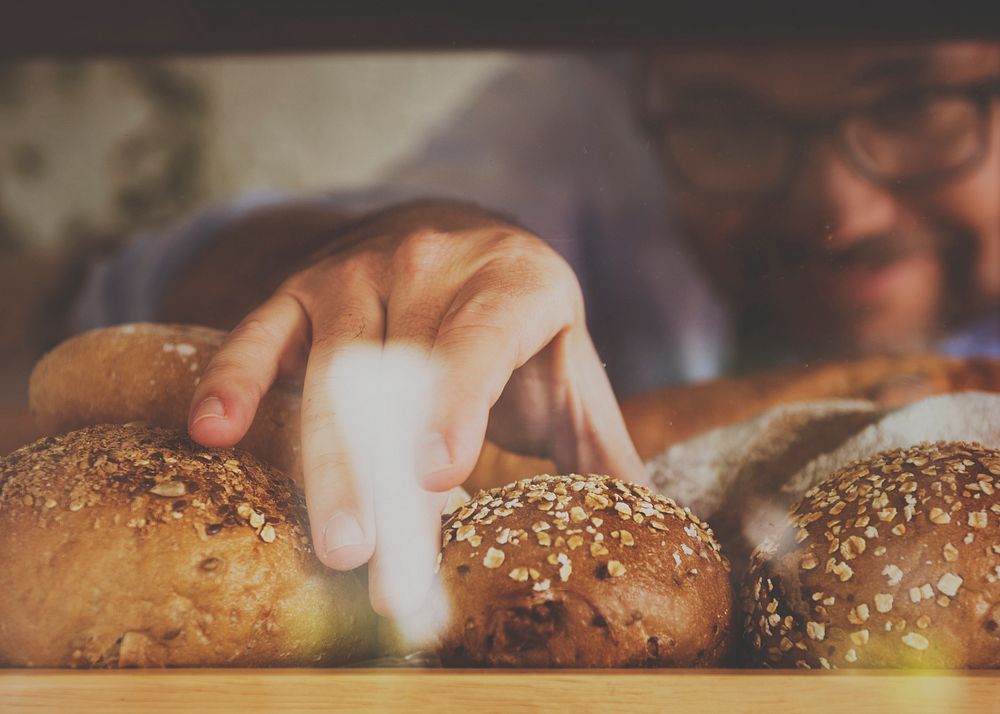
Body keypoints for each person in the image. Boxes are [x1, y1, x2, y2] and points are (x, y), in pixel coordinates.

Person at [75, 40, 1000, 615]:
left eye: (912, 100)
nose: (838, 205)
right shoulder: (585, 116)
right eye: (730, 117)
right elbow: (141, 283)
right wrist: (390, 249)